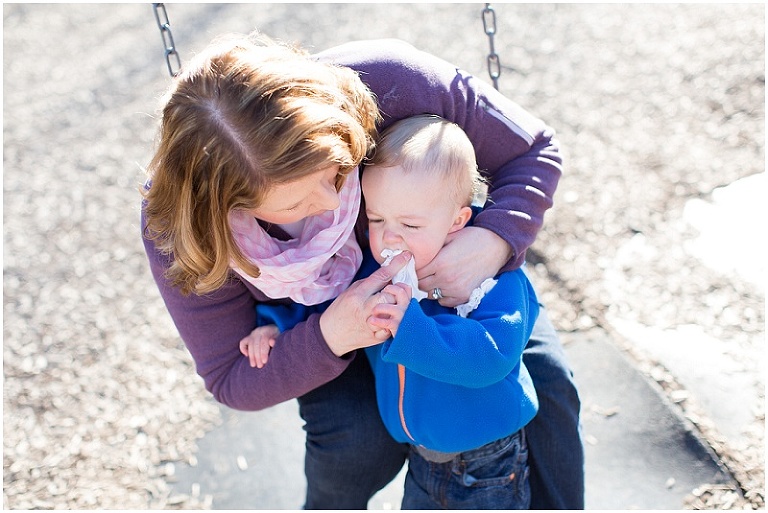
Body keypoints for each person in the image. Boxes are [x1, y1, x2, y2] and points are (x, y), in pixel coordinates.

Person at [141, 32, 584, 509]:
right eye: (297, 201)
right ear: (230, 206)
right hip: (323, 325)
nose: (336, 204)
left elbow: (534, 150)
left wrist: (492, 241)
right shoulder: (181, 226)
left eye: (336, 170)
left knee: (549, 384)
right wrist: (323, 334)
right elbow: (231, 376)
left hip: (453, 278)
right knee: (354, 442)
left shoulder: (392, 83)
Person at [245, 115, 541, 509]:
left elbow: (490, 358)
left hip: (486, 462)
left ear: (457, 221)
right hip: (423, 459)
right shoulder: (375, 271)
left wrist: (412, 327)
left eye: (410, 224)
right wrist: (277, 328)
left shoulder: (492, 280)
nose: (390, 236)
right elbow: (332, 305)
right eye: (377, 219)